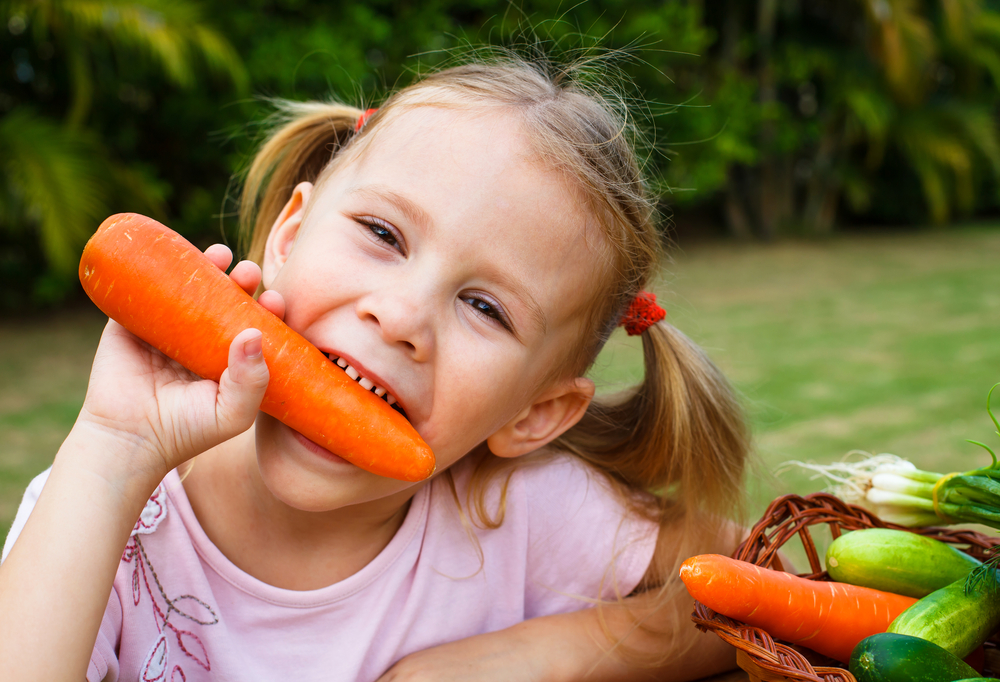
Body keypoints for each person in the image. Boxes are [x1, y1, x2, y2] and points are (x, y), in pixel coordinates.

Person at [0, 54, 751, 682]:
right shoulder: (103, 510)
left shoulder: (519, 510)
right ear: (290, 235)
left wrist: (523, 659)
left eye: (487, 308)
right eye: (383, 234)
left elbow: (773, 588)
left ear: (534, 413)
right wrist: (114, 450)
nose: (401, 317)